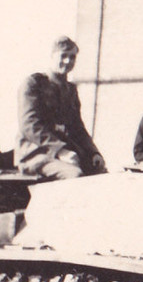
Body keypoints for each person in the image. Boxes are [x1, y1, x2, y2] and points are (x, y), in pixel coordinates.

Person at [15, 36, 106, 179]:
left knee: (100, 172)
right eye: (63, 56)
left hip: (64, 155)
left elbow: (77, 127)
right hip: (36, 155)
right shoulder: (33, 84)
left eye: (72, 57)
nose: (68, 61)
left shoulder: (70, 90)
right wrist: (60, 151)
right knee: (74, 174)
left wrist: (93, 152)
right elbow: (30, 125)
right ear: (52, 56)